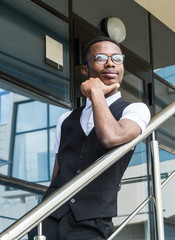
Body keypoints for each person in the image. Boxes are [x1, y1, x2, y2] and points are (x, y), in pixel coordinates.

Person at [28, 36, 150, 240]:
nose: (110, 63)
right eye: (101, 57)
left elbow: (112, 137)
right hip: (49, 217)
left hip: (93, 221)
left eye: (117, 58)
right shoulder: (65, 119)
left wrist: (96, 92)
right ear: (85, 70)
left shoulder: (135, 110)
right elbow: (57, 175)